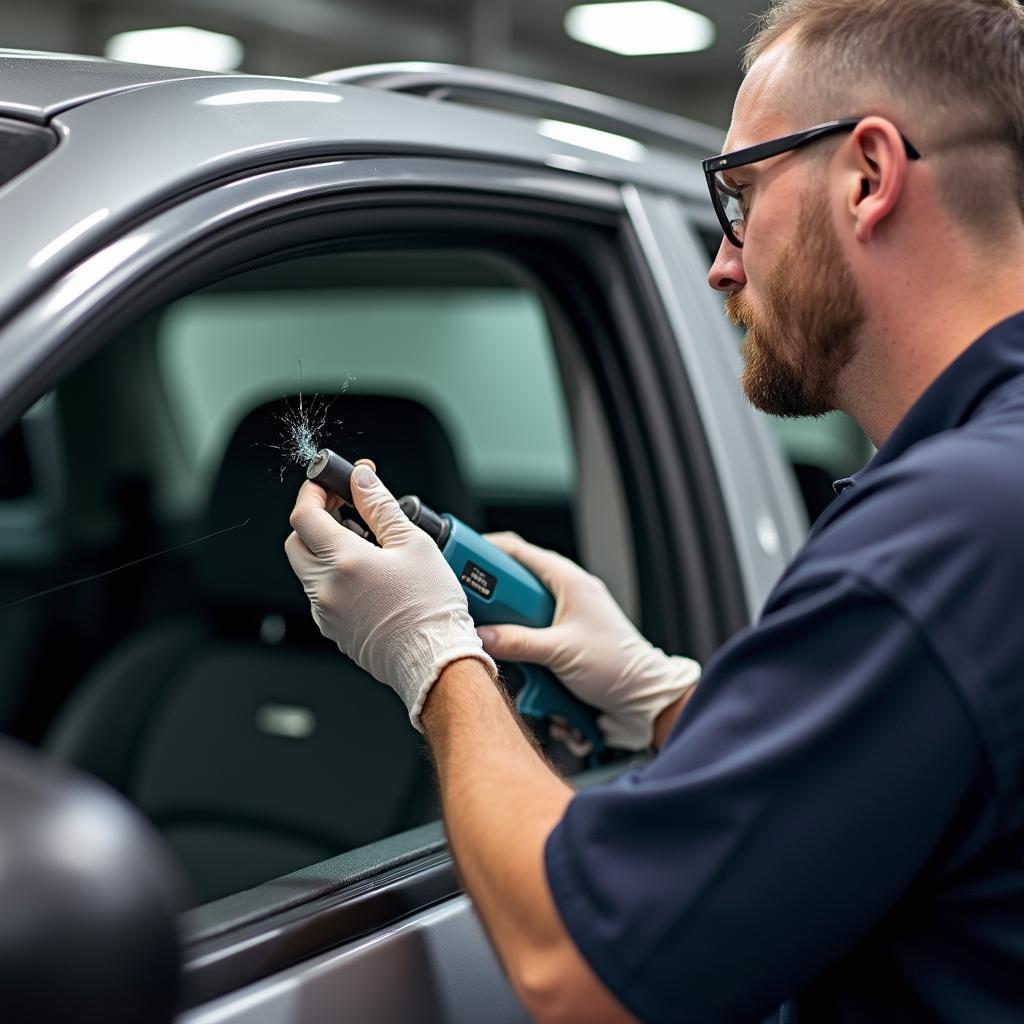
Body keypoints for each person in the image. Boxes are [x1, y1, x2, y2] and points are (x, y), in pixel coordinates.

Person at [285, 1, 1024, 1019]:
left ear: (867, 174)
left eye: (741, 194)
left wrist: (434, 658)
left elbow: (578, 968)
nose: (721, 264)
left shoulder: (946, 531)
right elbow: (917, 800)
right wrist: (663, 699)